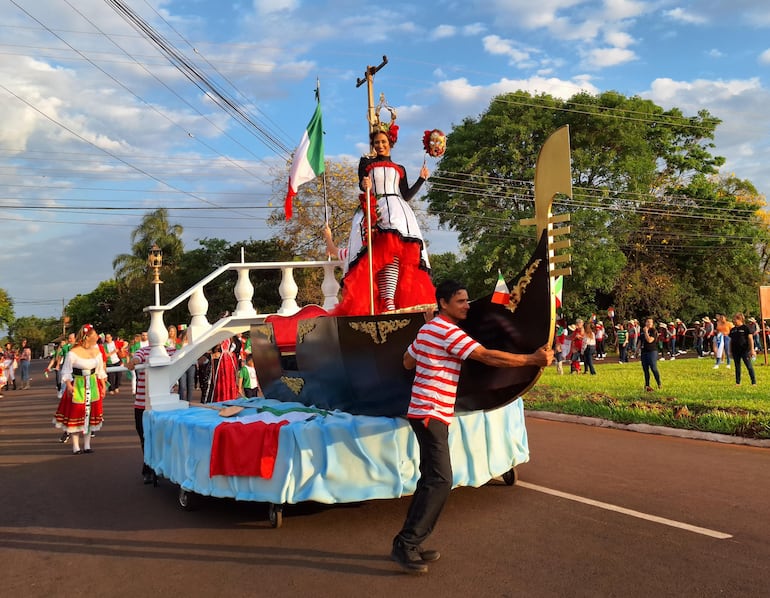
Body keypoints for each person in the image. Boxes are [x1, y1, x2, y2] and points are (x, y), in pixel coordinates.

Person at [391, 279, 553, 574]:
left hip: (423, 411)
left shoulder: (428, 330)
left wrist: (429, 340)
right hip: (430, 413)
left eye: (467, 300)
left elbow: (406, 362)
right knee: (440, 481)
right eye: (461, 301)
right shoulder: (447, 332)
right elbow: (486, 356)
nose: (467, 306)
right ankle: (406, 544)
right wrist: (532, 359)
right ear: (443, 304)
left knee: (431, 479)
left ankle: (410, 543)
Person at [323, 126, 435, 315]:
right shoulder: (366, 163)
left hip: (399, 211)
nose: (380, 145)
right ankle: (387, 302)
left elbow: (406, 194)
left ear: (390, 143)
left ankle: (390, 301)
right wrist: (364, 184)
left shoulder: (400, 168)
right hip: (374, 208)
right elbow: (362, 182)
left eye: (383, 142)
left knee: (396, 254)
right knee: (376, 255)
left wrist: (422, 179)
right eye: (376, 143)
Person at [127, 339, 177, 483]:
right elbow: (137, 357)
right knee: (145, 437)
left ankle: (156, 467)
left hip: (163, 402)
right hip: (143, 403)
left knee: (163, 437)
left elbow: (183, 358)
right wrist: (134, 361)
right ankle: (148, 466)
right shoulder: (144, 350)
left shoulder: (171, 351)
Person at [53, 324, 107, 454]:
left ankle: (87, 445)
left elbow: (100, 370)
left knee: (90, 415)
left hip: (93, 384)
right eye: (93, 337)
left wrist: (103, 386)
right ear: (86, 337)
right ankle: (76, 446)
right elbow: (66, 371)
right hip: (78, 385)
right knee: (77, 414)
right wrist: (70, 385)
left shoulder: (96, 352)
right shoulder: (73, 352)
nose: (96, 339)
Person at [729, 313, 756, 385]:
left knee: (749, 366)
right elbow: (731, 340)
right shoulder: (732, 330)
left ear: (739, 319)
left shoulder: (746, 328)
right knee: (737, 367)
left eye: (734, 319)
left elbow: (750, 339)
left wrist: (752, 350)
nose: (733, 320)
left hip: (744, 350)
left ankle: (753, 382)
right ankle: (738, 382)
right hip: (735, 351)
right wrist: (730, 351)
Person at [640, 318, 662, 392]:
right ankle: (647, 385)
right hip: (644, 352)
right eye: (647, 322)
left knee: (653, 367)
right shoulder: (642, 332)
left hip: (652, 351)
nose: (648, 324)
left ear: (652, 324)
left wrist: (646, 332)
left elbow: (649, 340)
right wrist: (636, 350)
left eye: (650, 322)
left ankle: (659, 383)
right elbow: (641, 341)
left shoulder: (653, 331)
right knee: (645, 369)